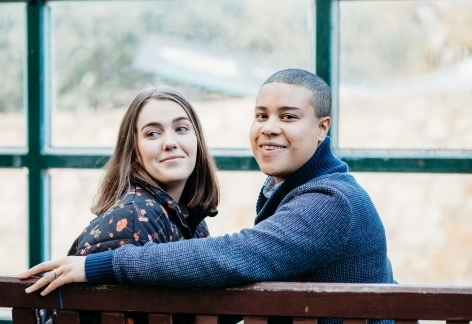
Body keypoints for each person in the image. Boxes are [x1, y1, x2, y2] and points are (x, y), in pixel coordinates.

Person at [21, 69, 395, 324]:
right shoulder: (137, 218)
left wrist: (102, 265)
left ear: (321, 129)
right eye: (261, 115)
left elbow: (238, 255)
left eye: (288, 116)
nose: (269, 128)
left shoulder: (330, 202)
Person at [31, 86, 219, 323]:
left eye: (181, 129)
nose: (170, 142)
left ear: (197, 141)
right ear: (134, 151)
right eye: (152, 134)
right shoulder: (135, 218)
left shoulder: (189, 217)